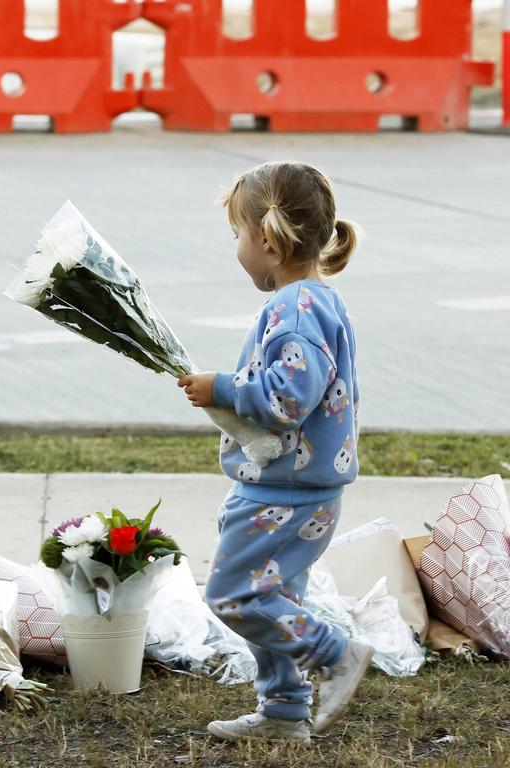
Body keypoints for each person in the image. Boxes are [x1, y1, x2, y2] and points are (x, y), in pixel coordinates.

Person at [177, 161, 373, 745]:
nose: (237, 247)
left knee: (234, 594)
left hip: (282, 493)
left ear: (267, 238)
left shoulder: (293, 309)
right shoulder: (319, 301)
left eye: (237, 234)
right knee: (278, 599)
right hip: (301, 488)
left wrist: (224, 388)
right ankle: (284, 713)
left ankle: (334, 654)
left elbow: (289, 398)